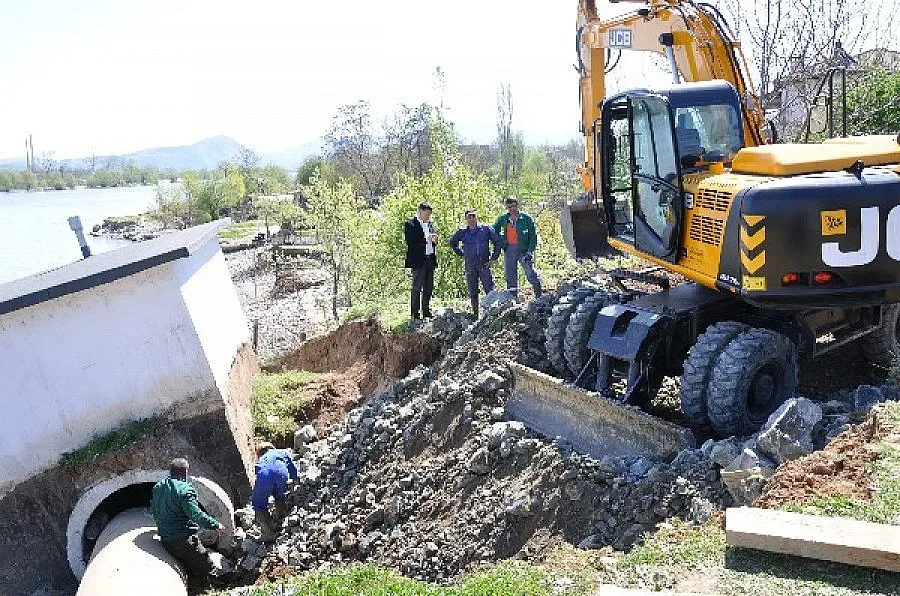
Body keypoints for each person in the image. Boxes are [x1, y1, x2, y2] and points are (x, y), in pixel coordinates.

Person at [151, 458, 225, 590]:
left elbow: (154, 509)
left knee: (188, 564)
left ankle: (196, 583)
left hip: (166, 538)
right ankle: (213, 589)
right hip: (183, 539)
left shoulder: (158, 487)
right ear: (185, 472)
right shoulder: (186, 490)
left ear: (171, 471)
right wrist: (215, 524)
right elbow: (196, 515)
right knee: (206, 564)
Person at [448, 209, 502, 318]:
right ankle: (475, 314)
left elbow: (498, 242)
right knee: (472, 290)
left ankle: (492, 313)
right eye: (469, 217)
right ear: (466, 219)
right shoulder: (462, 231)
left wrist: (493, 258)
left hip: (484, 263)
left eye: (473, 216)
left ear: (476, 217)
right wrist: (461, 253)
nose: (471, 219)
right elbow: (452, 242)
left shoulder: (486, 229)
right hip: (470, 264)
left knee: (489, 288)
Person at [493, 197, 542, 298]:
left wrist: (530, 251)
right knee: (510, 276)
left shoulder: (526, 218)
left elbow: (533, 236)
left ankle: (539, 296)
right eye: (509, 207)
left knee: (530, 273)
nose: (512, 209)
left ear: (518, 206)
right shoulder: (503, 218)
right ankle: (513, 299)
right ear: (507, 207)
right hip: (509, 249)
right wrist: (502, 241)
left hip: (523, 250)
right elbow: (494, 231)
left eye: (514, 206)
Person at [252, 442, 298, 542]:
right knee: (279, 494)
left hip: (265, 475)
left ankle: (269, 533)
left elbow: (259, 474)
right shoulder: (281, 452)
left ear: (260, 452)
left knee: (258, 504)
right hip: (282, 473)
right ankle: (281, 516)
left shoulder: (262, 459)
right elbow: (293, 469)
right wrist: (297, 481)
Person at [404, 203, 439, 320]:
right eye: (427, 214)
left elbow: (432, 242)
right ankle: (415, 313)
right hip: (418, 260)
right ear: (420, 211)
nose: (428, 216)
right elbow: (411, 243)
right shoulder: (410, 224)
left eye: (430, 214)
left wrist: (434, 240)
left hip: (430, 258)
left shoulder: (429, 224)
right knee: (417, 287)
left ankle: (426, 311)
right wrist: (425, 240)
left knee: (428, 287)